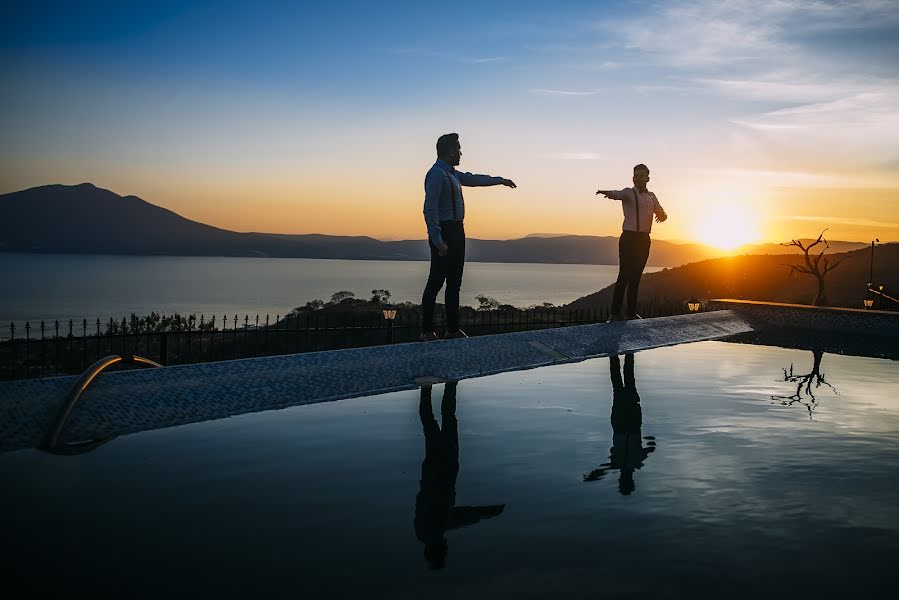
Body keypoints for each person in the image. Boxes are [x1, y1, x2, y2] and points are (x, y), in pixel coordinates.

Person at [420, 133, 517, 341]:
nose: (461, 153)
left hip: (457, 232)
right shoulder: (436, 174)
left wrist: (500, 181)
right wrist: (437, 240)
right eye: (459, 149)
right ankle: (427, 330)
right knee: (436, 281)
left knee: (455, 282)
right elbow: (430, 209)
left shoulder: (453, 174)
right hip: (445, 232)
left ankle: (452, 329)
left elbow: (474, 179)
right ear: (449, 151)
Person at [414, 382, 505, 569]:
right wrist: (485, 513)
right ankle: (428, 388)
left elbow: (461, 517)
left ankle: (447, 384)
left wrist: (486, 512)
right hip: (434, 471)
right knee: (431, 423)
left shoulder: (431, 530)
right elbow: (459, 518)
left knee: (444, 420)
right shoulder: (425, 532)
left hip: (442, 470)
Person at [596, 164, 667, 321]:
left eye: (642, 175)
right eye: (636, 175)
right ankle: (614, 314)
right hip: (629, 238)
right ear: (633, 177)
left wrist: (662, 215)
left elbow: (661, 212)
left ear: (648, 178)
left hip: (644, 240)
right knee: (624, 275)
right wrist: (607, 193)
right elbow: (617, 194)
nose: (638, 178)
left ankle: (631, 313)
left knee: (636, 277)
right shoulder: (629, 192)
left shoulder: (652, 196)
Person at [583, 353, 656, 495]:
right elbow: (651, 449)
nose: (624, 478)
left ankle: (620, 354)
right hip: (628, 422)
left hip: (623, 423)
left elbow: (651, 448)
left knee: (623, 382)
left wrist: (650, 441)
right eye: (625, 480)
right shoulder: (635, 462)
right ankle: (621, 354)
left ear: (621, 480)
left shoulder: (624, 463)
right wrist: (649, 441)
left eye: (623, 480)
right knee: (622, 381)